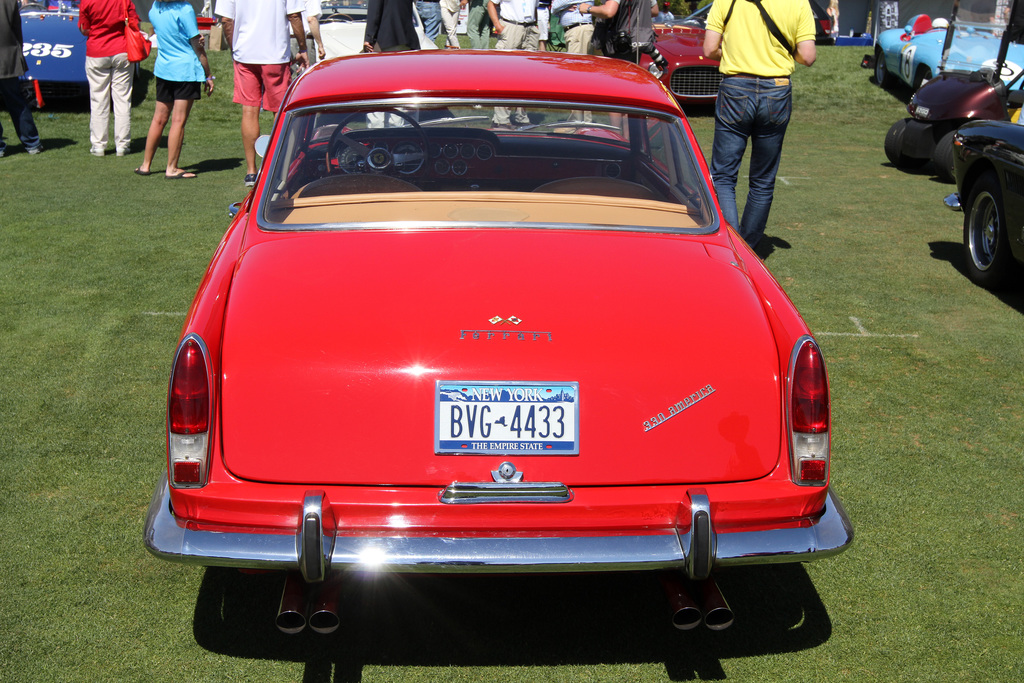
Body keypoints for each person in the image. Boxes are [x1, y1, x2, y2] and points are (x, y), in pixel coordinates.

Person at [702, 0, 816, 251]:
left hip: (736, 86)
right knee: (763, 179)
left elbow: (710, 49)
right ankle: (749, 249)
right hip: (776, 89)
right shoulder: (798, 3)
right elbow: (807, 56)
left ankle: (731, 246)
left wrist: (732, 54)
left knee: (724, 176)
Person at [215, 0, 308, 187]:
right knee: (280, 112)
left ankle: (251, 171)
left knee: (249, 110)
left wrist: (235, 47)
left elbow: (226, 20)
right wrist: (303, 47)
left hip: (245, 54)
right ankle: (277, 168)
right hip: (274, 54)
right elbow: (295, 16)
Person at [135, 0, 214, 179]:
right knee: (178, 121)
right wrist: (208, 75)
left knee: (158, 119)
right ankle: (171, 168)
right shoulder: (185, 9)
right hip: (185, 70)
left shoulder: (156, 7)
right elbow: (197, 45)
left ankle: (145, 165)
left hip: (164, 68)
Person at [78, 0, 140, 157]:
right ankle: (123, 145)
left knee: (98, 100)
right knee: (122, 100)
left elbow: (84, 29)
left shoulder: (87, 1)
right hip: (122, 50)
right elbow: (135, 23)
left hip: (97, 51)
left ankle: (98, 145)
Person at [487, 0, 539, 126]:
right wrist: (498, 26)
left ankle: (521, 117)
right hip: (511, 27)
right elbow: (491, 4)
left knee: (526, 77)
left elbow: (535, 8)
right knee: (506, 75)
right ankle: (501, 119)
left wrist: (535, 24)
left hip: (530, 28)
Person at [0, 0, 42, 157]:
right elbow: (17, 29)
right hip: (7, 56)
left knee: (16, 101)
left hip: (7, 55)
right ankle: (32, 143)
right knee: (16, 101)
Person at [576, 0, 659, 65]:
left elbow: (609, 11)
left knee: (615, 81)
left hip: (619, 43)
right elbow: (654, 11)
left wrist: (588, 8)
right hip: (639, 40)